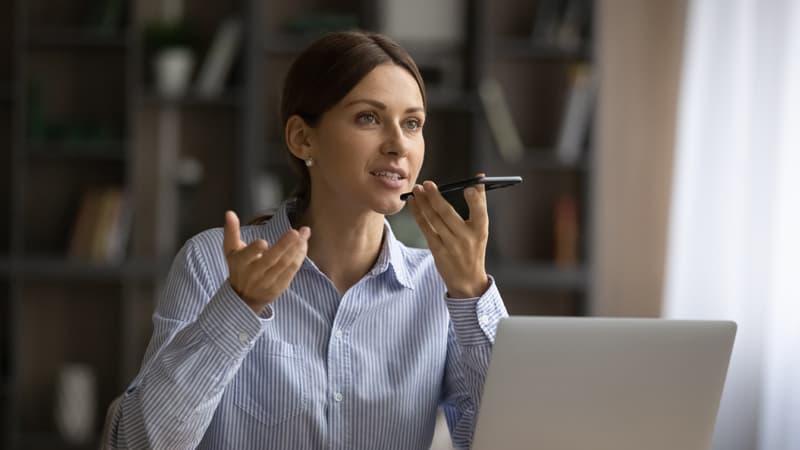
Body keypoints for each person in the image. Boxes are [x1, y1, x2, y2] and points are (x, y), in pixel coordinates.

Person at [107, 30, 508, 450]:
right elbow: (137, 443)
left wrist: (472, 292)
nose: (398, 145)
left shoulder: (441, 288)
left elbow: (508, 439)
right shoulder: (213, 264)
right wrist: (238, 307)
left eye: (412, 123)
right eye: (368, 117)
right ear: (302, 138)